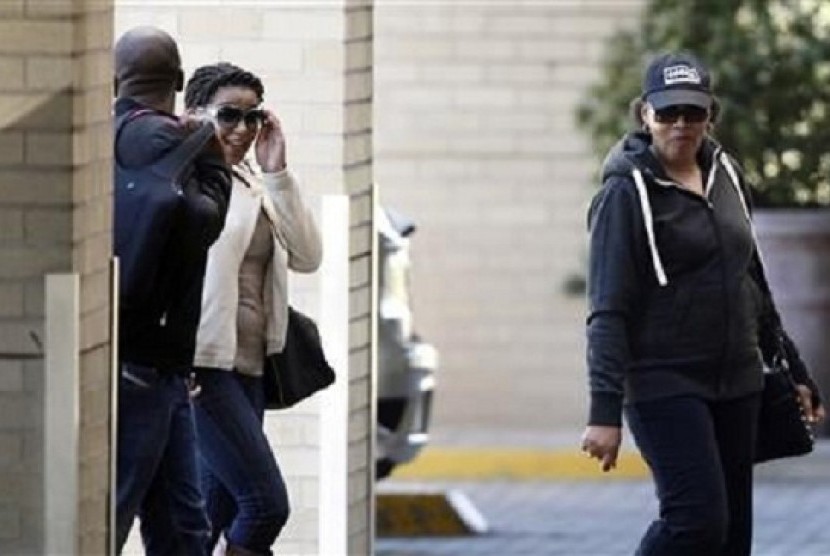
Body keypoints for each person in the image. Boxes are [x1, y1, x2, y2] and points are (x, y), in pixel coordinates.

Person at [579, 52, 824, 556]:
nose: (681, 125)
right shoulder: (626, 194)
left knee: (733, 537)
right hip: (663, 381)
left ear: (711, 114)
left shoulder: (727, 174)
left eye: (693, 112)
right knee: (696, 523)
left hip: (737, 381)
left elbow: (751, 278)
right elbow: (607, 308)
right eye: (668, 113)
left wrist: (796, 371)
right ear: (645, 114)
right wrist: (603, 410)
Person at [185, 62, 322, 555]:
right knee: (265, 505)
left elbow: (308, 255)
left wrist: (277, 170)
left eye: (253, 118)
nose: (241, 130)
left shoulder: (252, 183)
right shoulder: (185, 181)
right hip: (203, 368)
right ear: (194, 114)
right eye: (228, 116)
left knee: (209, 516)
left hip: (250, 368)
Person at [113, 26, 231, 555]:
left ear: (115, 80)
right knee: (113, 513)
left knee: (183, 523)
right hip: (146, 367)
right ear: (180, 81)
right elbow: (205, 224)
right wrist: (209, 153)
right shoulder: (177, 142)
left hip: (152, 367)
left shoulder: (97, 136)